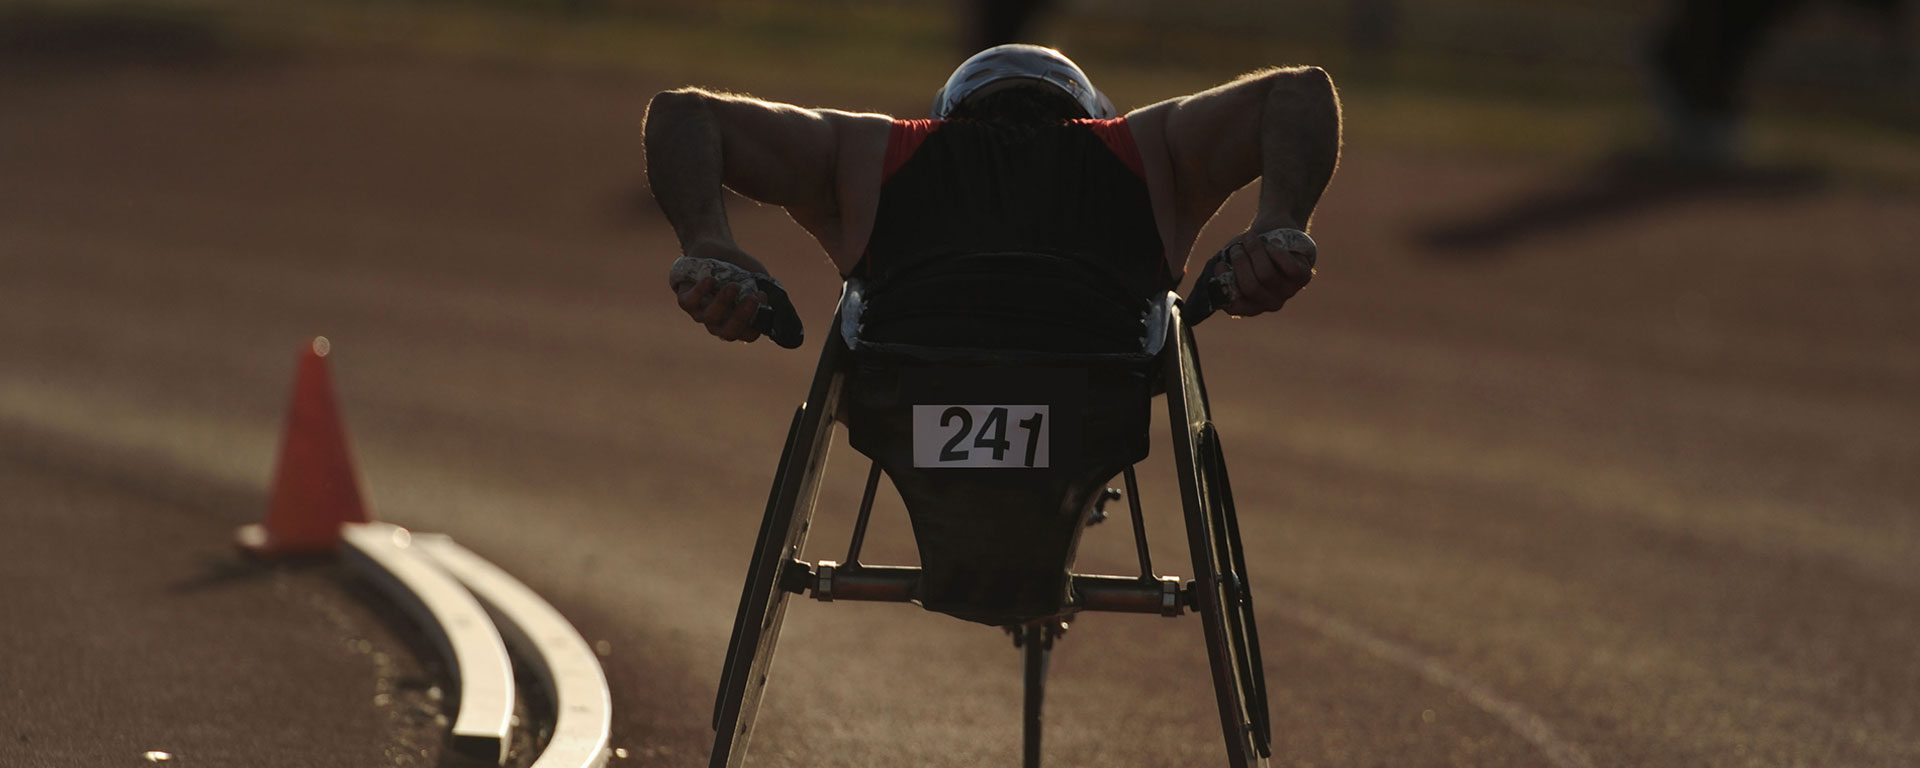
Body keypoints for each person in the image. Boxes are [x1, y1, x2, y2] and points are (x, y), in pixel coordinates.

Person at [643, 44, 1341, 347]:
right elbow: (1300, 91)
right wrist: (1278, 224)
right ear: (1092, 117)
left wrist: (710, 241)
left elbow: (685, 113)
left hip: (906, 384)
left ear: (952, 117)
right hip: (1098, 394)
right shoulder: (1146, 152)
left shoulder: (872, 157)